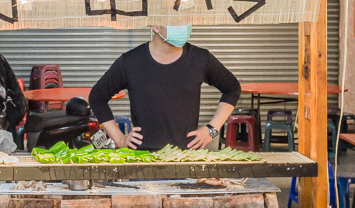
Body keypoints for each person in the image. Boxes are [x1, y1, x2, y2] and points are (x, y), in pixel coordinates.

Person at [88, 24, 241, 151]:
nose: (183, 26)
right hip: (144, 162)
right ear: (155, 25)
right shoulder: (130, 62)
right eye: (175, 20)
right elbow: (97, 97)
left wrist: (212, 129)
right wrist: (120, 139)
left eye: (185, 20)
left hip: (186, 159)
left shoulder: (200, 59)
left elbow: (232, 88)